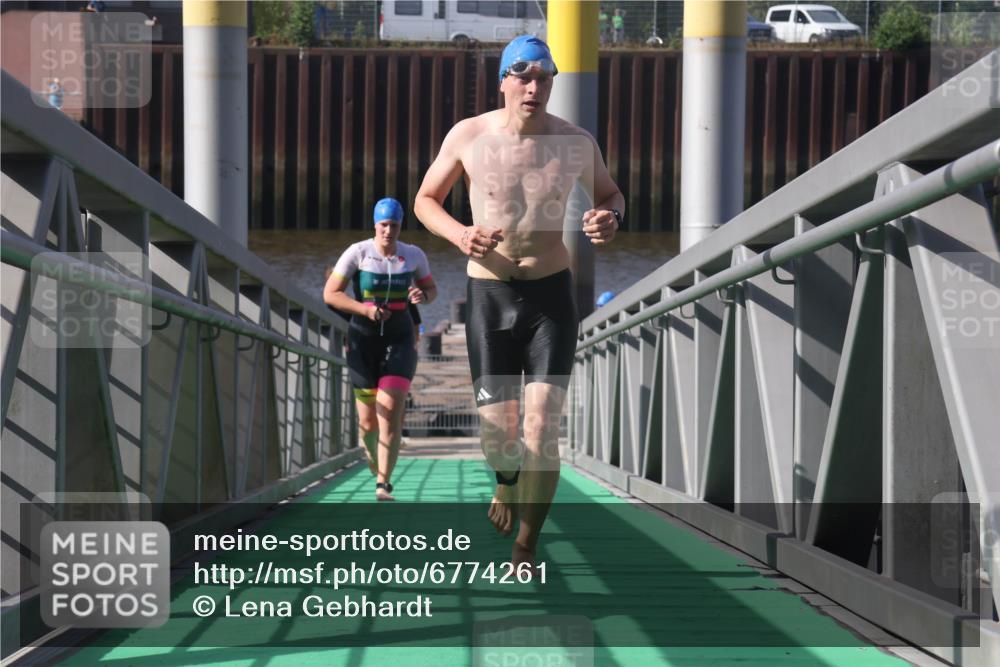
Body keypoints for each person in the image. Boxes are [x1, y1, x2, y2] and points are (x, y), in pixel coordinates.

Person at [414, 35, 623, 568]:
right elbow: (425, 200)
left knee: (541, 427)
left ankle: (527, 543)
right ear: (504, 80)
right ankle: (505, 481)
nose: (534, 88)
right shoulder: (470, 135)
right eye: (524, 77)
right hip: (489, 293)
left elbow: (609, 194)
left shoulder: (576, 142)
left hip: (552, 297)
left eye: (545, 78)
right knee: (499, 435)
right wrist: (461, 236)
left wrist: (610, 218)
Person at [324, 198, 437, 501]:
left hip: (399, 339)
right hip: (362, 340)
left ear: (401, 226)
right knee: (367, 421)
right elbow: (330, 295)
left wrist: (421, 296)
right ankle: (375, 465)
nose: (389, 231)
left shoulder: (413, 255)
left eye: (395, 225)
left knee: (390, 410)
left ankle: (383, 483)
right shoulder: (358, 253)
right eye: (384, 225)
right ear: (375, 225)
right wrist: (364, 310)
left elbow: (431, 290)